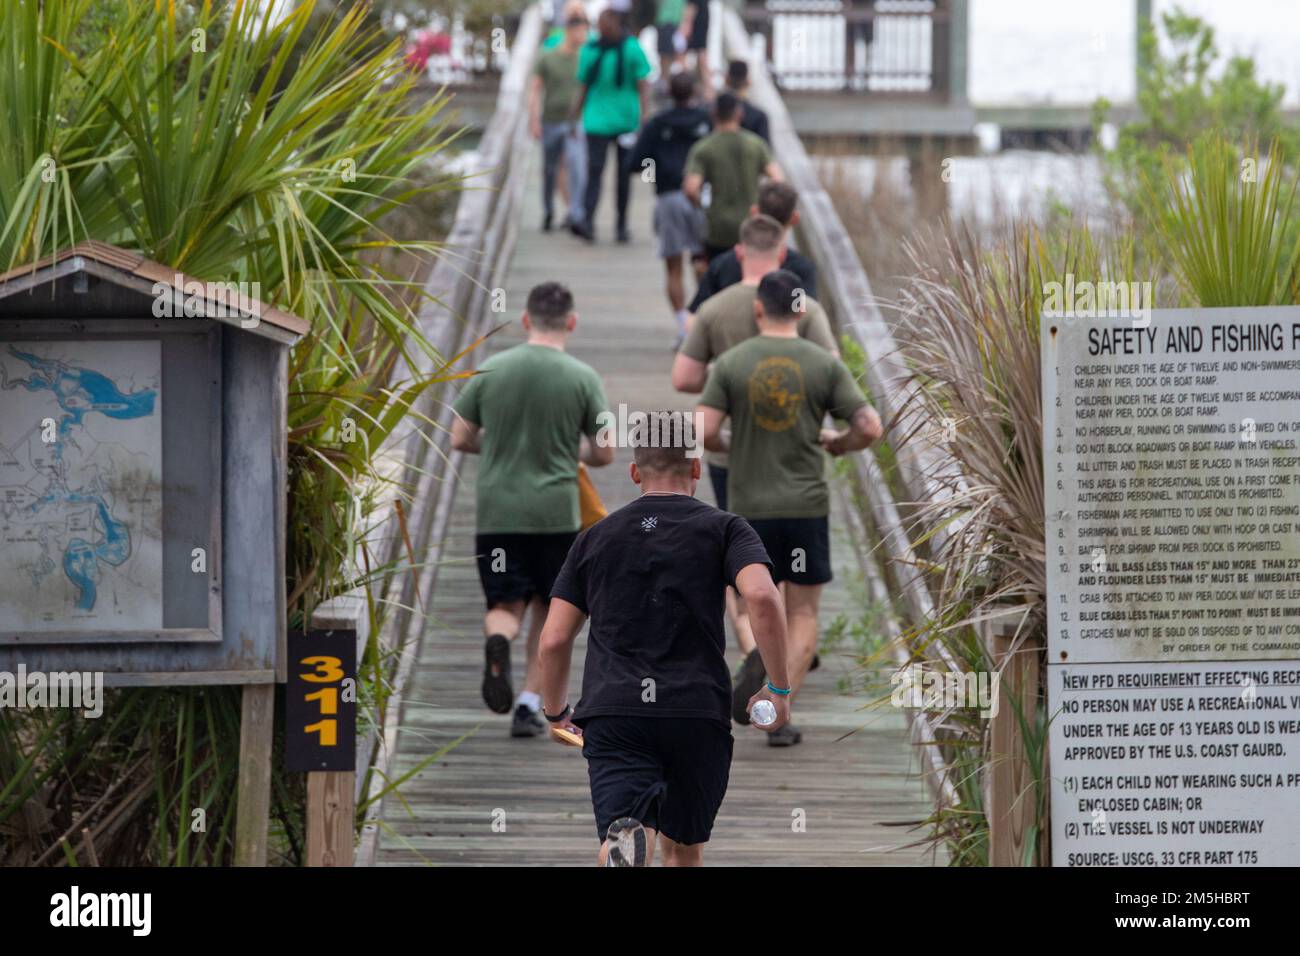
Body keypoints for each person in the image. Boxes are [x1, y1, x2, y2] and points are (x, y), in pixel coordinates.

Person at [537, 411, 791, 866]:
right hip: (696, 710)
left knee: (627, 825)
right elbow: (762, 597)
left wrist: (557, 712)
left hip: (615, 712)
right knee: (684, 844)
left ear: (635, 473)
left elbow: (554, 639)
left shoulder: (594, 539)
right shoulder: (727, 529)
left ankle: (627, 841)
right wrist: (778, 686)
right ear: (696, 468)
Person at [696, 271, 882, 747]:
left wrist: (728, 443)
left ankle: (758, 651)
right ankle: (778, 707)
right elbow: (870, 426)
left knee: (753, 601)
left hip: (748, 507)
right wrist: (839, 444)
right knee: (802, 613)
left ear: (759, 309)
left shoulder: (732, 363)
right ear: (801, 311)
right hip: (805, 506)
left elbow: (703, 428)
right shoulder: (823, 364)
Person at [671, 214, 836, 691]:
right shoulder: (807, 308)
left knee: (744, 576)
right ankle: (779, 694)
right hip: (797, 464)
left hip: (732, 461)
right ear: (782, 254)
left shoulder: (714, 307)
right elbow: (830, 371)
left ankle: (756, 652)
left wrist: (724, 389)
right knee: (798, 588)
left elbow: (682, 379)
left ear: (739, 253)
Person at [450, 282, 614, 736]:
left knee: (504, 602)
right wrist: (569, 451)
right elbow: (605, 453)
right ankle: (528, 703)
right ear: (572, 322)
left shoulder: (490, 368)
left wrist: (500, 445)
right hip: (556, 515)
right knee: (550, 608)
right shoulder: (583, 377)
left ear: (525, 320)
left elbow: (459, 437)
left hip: (499, 512)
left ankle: (498, 640)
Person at [630, 71, 711, 348]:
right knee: (702, 263)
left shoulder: (657, 123)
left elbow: (635, 162)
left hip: (668, 197)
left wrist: (655, 171)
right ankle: (699, 319)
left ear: (668, 94)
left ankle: (682, 326)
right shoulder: (706, 120)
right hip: (704, 198)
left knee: (673, 268)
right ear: (695, 93)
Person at [570, 9, 651, 243]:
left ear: (617, 24)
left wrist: (645, 116)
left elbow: (643, 83)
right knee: (594, 171)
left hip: (625, 119)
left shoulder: (631, 48)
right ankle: (587, 221)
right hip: (596, 120)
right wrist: (574, 118)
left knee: (624, 174)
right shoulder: (591, 50)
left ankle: (622, 224)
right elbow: (583, 86)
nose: (603, 29)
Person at [687, 180, 816, 314]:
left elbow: (696, 314)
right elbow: (802, 314)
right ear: (795, 218)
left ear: (754, 212)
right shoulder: (802, 270)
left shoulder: (722, 265)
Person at [683, 92, 782, 265]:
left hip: (718, 227)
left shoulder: (703, 147)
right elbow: (778, 181)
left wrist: (703, 207)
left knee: (718, 274)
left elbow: (691, 189)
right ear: (739, 114)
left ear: (713, 113)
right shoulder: (755, 144)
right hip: (750, 224)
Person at [530, 6, 589, 232]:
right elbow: (535, 89)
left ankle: (576, 213)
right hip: (551, 120)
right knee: (549, 168)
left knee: (577, 166)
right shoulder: (548, 55)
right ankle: (548, 211)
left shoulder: (586, 57)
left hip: (576, 123)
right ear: (569, 29)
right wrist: (534, 120)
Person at [723, 59, 769, 143]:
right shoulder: (758, 116)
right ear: (748, 82)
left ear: (726, 80)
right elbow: (765, 150)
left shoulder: (714, 112)